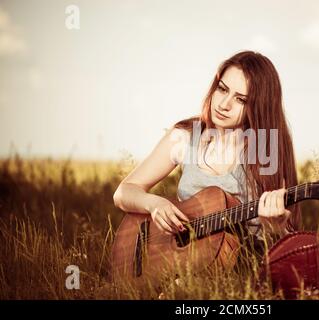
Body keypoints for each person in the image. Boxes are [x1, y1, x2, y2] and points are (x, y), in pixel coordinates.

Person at [113, 50, 301, 263]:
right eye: (222, 89)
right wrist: (154, 204)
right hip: (185, 259)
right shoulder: (184, 137)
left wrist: (275, 228)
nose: (223, 104)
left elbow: (287, 243)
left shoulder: (266, 151)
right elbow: (123, 192)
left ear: (258, 106)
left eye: (240, 100)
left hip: (244, 263)